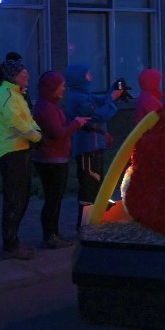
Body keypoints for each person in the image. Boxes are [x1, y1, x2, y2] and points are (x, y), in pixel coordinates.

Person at [31, 71, 90, 249]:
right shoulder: (47, 108)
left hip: (53, 157)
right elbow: (58, 133)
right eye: (61, 86)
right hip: (51, 159)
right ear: (53, 88)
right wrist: (77, 124)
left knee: (55, 198)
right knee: (53, 198)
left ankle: (53, 232)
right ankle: (50, 235)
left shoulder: (48, 105)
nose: (64, 89)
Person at [0, 59, 42, 260]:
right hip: (11, 153)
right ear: (13, 76)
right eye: (23, 73)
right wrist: (37, 136)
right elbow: (15, 123)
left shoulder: (17, 94)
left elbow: (26, 119)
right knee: (15, 199)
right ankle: (10, 246)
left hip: (20, 149)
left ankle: (14, 242)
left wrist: (36, 132)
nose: (27, 76)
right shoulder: (7, 95)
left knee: (22, 197)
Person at [64, 64, 123, 229]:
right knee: (89, 184)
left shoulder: (83, 94)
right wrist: (112, 99)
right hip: (87, 147)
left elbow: (100, 101)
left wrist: (112, 92)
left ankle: (93, 221)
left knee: (95, 181)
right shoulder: (78, 98)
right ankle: (84, 225)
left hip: (94, 145)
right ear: (79, 78)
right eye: (87, 74)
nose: (90, 77)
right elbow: (99, 114)